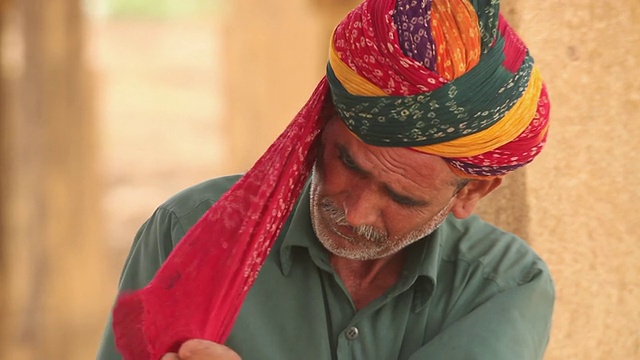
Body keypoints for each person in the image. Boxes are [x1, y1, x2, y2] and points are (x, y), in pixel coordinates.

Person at [98, 0, 554, 359]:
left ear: (471, 191)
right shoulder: (190, 228)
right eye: (349, 163)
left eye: (400, 196)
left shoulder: (504, 285)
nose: (353, 211)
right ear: (321, 122)